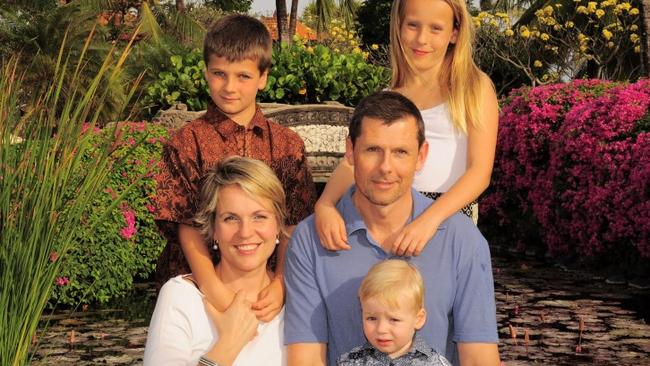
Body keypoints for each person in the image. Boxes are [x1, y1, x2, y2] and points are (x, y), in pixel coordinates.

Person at [284, 91, 499, 366]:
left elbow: (479, 358)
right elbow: (306, 359)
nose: (386, 167)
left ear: (421, 156)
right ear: (350, 151)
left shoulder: (461, 239)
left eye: (400, 152)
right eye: (373, 150)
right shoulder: (310, 240)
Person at [153, 14, 317, 322]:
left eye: (243, 76)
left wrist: (282, 282)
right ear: (206, 73)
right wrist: (215, 291)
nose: (230, 87)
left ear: (263, 76)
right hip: (197, 290)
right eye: (219, 74)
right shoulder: (186, 142)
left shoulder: (286, 145)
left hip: (266, 290)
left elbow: (294, 223)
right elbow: (185, 226)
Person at [314, 0, 499, 257]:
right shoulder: (389, 97)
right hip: (386, 215)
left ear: (454, 33)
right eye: (413, 25)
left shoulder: (473, 88)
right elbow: (354, 161)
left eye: (436, 28)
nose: (422, 39)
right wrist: (325, 205)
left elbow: (479, 172)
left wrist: (428, 221)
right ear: (398, 27)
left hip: (446, 216)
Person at [145, 156, 288, 366]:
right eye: (231, 218)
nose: (245, 232)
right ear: (213, 229)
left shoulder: (298, 298)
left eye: (259, 216)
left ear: (278, 225)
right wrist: (229, 343)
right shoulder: (181, 297)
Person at [337, 259, 451, 366]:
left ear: (418, 319)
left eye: (394, 319)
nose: (381, 329)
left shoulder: (436, 363)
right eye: (372, 318)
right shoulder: (349, 362)